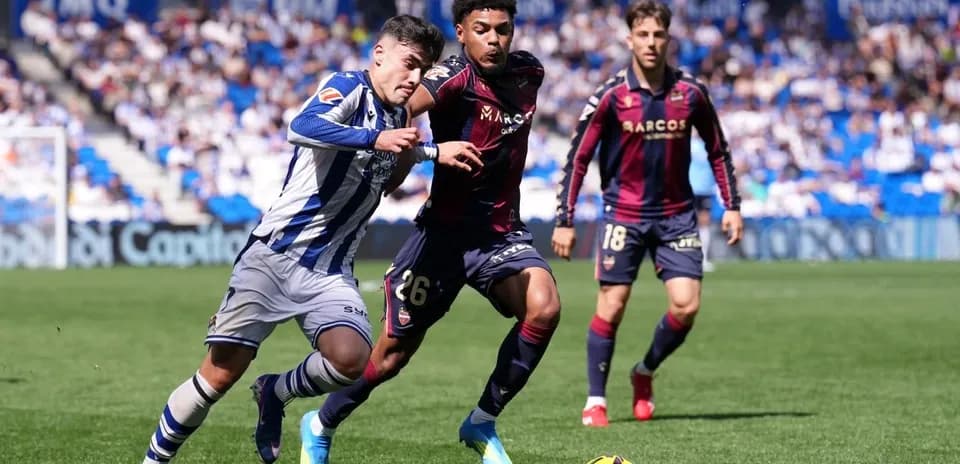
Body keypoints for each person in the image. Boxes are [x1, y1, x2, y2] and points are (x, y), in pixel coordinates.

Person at [140, 15, 483, 464]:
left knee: (351, 359)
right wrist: (378, 139)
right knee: (218, 377)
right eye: (409, 63)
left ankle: (274, 391)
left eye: (423, 69)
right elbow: (301, 127)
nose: (415, 77)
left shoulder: (399, 116)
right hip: (275, 256)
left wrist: (431, 152)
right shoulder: (348, 86)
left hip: (330, 270)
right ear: (379, 54)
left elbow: (386, 176)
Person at [300, 1, 561, 463]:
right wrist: (406, 158)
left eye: (503, 29)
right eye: (482, 29)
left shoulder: (529, 73)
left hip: (500, 235)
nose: (494, 39)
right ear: (461, 32)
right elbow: (402, 106)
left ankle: (482, 421)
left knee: (544, 307)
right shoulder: (452, 76)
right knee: (390, 357)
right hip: (441, 237)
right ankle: (320, 424)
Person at [551, 0, 743, 428]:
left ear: (668, 39)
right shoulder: (611, 95)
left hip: (677, 217)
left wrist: (732, 205)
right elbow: (578, 157)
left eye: (658, 34)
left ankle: (644, 371)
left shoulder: (691, 93)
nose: (651, 42)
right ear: (629, 39)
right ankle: (596, 400)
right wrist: (564, 219)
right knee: (612, 305)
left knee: (686, 306)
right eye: (643, 34)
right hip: (624, 215)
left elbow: (718, 150)